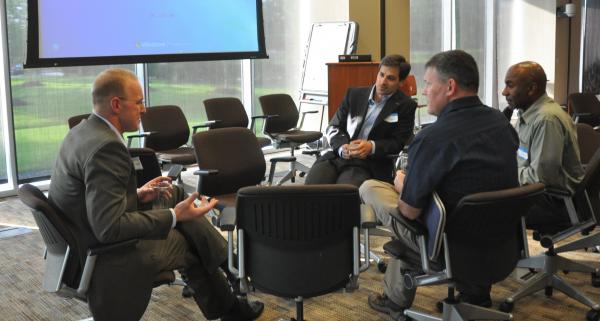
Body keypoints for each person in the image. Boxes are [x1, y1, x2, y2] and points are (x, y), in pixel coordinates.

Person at [48, 68, 263, 321]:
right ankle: (232, 288)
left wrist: (138, 194)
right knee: (186, 242)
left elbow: (91, 200)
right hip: (105, 254)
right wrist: (173, 216)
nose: (144, 110)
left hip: (81, 237)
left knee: (175, 192)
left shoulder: (83, 131)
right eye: (139, 102)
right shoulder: (107, 147)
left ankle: (231, 268)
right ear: (116, 104)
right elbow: (108, 227)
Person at [360, 50, 519, 319]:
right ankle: (476, 293)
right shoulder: (501, 124)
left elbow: (409, 211)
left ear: (450, 87)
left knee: (370, 188)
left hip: (448, 247)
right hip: (502, 241)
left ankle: (394, 299)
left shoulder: (432, 139)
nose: (423, 92)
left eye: (428, 84)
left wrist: (402, 185)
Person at [304, 54, 417, 187]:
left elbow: (398, 142)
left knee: (344, 193)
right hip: (338, 156)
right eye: (381, 75)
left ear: (401, 82)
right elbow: (334, 126)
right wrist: (341, 147)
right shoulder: (354, 95)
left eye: (390, 78)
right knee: (313, 186)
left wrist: (371, 146)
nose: (383, 82)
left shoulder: (406, 105)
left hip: (368, 163)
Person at [502, 61, 584, 234]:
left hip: (555, 203)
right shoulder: (528, 114)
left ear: (531, 89)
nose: (504, 92)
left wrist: (503, 174)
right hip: (541, 195)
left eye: (510, 85)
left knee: (485, 210)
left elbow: (541, 178)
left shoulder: (546, 120)